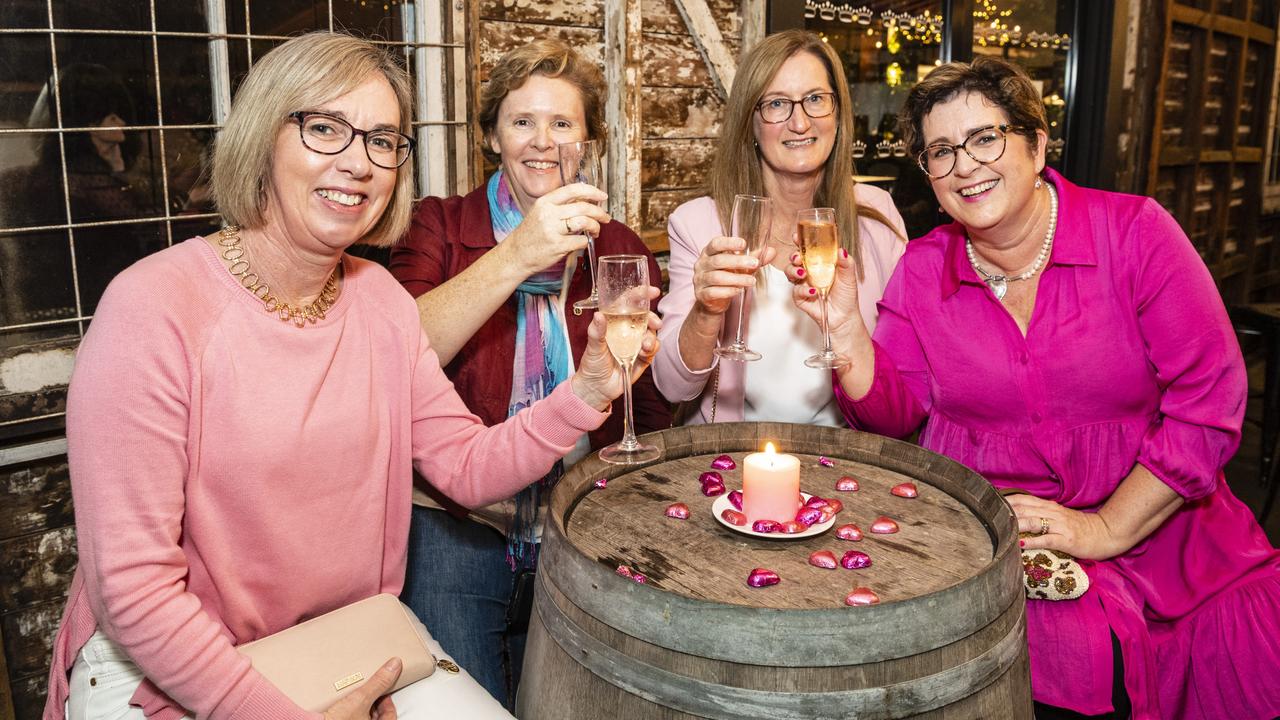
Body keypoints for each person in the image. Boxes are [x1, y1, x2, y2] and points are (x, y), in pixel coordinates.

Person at [42, 31, 659, 720]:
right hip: (162, 663)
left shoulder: (379, 302)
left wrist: (587, 392)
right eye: (325, 128)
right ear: (263, 137)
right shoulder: (151, 307)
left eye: (381, 140)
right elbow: (135, 590)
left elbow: (463, 464)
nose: (357, 163)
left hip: (341, 641)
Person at [789, 56, 1280, 719]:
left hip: (1168, 542)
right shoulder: (923, 268)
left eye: (984, 138)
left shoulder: (1134, 234)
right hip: (1010, 546)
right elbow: (894, 414)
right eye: (941, 152)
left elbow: (1210, 404)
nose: (964, 165)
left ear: (1037, 143)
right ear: (930, 180)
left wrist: (1106, 526)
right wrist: (847, 331)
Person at [386, 38, 669, 709]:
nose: (543, 141)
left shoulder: (618, 247)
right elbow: (392, 354)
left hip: (578, 525)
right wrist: (520, 251)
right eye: (522, 121)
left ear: (588, 140)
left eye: (563, 123)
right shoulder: (439, 226)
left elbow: (645, 407)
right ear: (492, 136)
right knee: (467, 705)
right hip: (457, 523)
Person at [651, 30, 905, 426]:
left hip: (848, 462)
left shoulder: (877, 214)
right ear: (750, 123)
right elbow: (671, 387)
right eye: (776, 104)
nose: (800, 122)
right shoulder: (700, 223)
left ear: (838, 114)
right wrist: (705, 312)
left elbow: (902, 388)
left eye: (816, 99)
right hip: (731, 464)